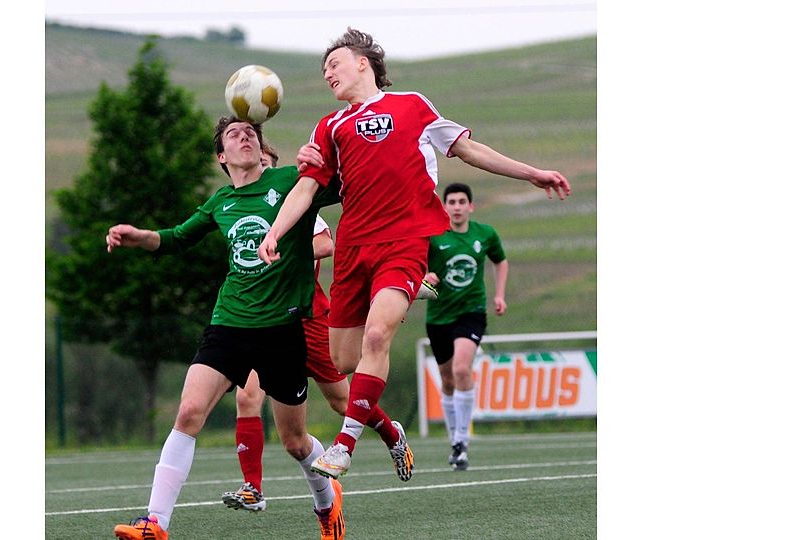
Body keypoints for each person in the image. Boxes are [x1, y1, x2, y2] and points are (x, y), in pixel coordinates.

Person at [257, 28, 570, 481]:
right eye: (323, 69)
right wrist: (275, 232)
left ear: (363, 62)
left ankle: (345, 446)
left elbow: (469, 150)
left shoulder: (413, 106)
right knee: (344, 360)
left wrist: (532, 173)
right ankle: (409, 297)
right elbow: (306, 187)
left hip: (403, 243)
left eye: (334, 64)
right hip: (353, 249)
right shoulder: (329, 126)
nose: (327, 73)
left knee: (378, 337)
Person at [107, 117, 346, 540]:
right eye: (234, 134)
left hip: (283, 329)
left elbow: (347, 185)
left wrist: (323, 161)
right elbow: (177, 238)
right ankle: (155, 523)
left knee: (294, 442)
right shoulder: (220, 202)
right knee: (188, 412)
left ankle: (327, 504)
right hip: (229, 324)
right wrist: (140, 236)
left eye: (250, 131)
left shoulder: (292, 180)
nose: (245, 136)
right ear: (222, 156)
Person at [222, 142, 406, 514]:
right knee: (247, 397)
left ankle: (391, 433)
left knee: (341, 401)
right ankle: (252, 488)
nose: (261, 169)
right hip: (265, 322)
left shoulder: (298, 204)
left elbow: (326, 244)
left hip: (309, 320)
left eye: (266, 163)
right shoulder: (241, 208)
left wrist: (282, 243)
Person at [424, 183, 508, 471]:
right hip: (438, 316)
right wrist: (425, 275)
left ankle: (463, 439)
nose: (457, 206)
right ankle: (454, 440)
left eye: (462, 202)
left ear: (470, 206)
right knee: (447, 380)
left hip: (471, 312)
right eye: (452, 202)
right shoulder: (434, 237)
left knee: (462, 369)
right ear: (445, 206)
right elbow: (413, 264)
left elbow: (500, 260)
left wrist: (499, 294)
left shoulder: (485, 234)